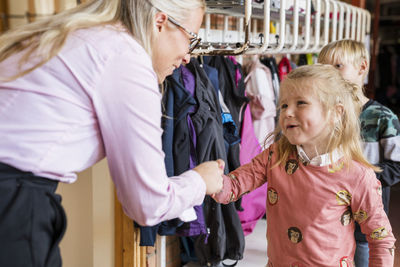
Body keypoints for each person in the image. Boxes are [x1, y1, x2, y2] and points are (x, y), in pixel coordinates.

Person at [0, 0, 225, 266]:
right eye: (191, 37)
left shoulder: (88, 36)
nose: (188, 56)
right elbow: (147, 204)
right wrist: (201, 180)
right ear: (160, 22)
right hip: (13, 200)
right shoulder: (126, 59)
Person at [212, 64, 396, 266]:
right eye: (283, 105)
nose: (288, 112)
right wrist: (210, 182)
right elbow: (235, 185)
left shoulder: (358, 176)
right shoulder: (276, 156)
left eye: (301, 103)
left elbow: (380, 238)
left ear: (335, 113)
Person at [318, 39, 400, 267]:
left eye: (337, 66)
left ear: (362, 68)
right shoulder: (321, 114)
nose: (330, 75)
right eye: (323, 68)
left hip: (366, 218)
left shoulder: (383, 117)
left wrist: (361, 182)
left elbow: (397, 165)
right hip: (328, 218)